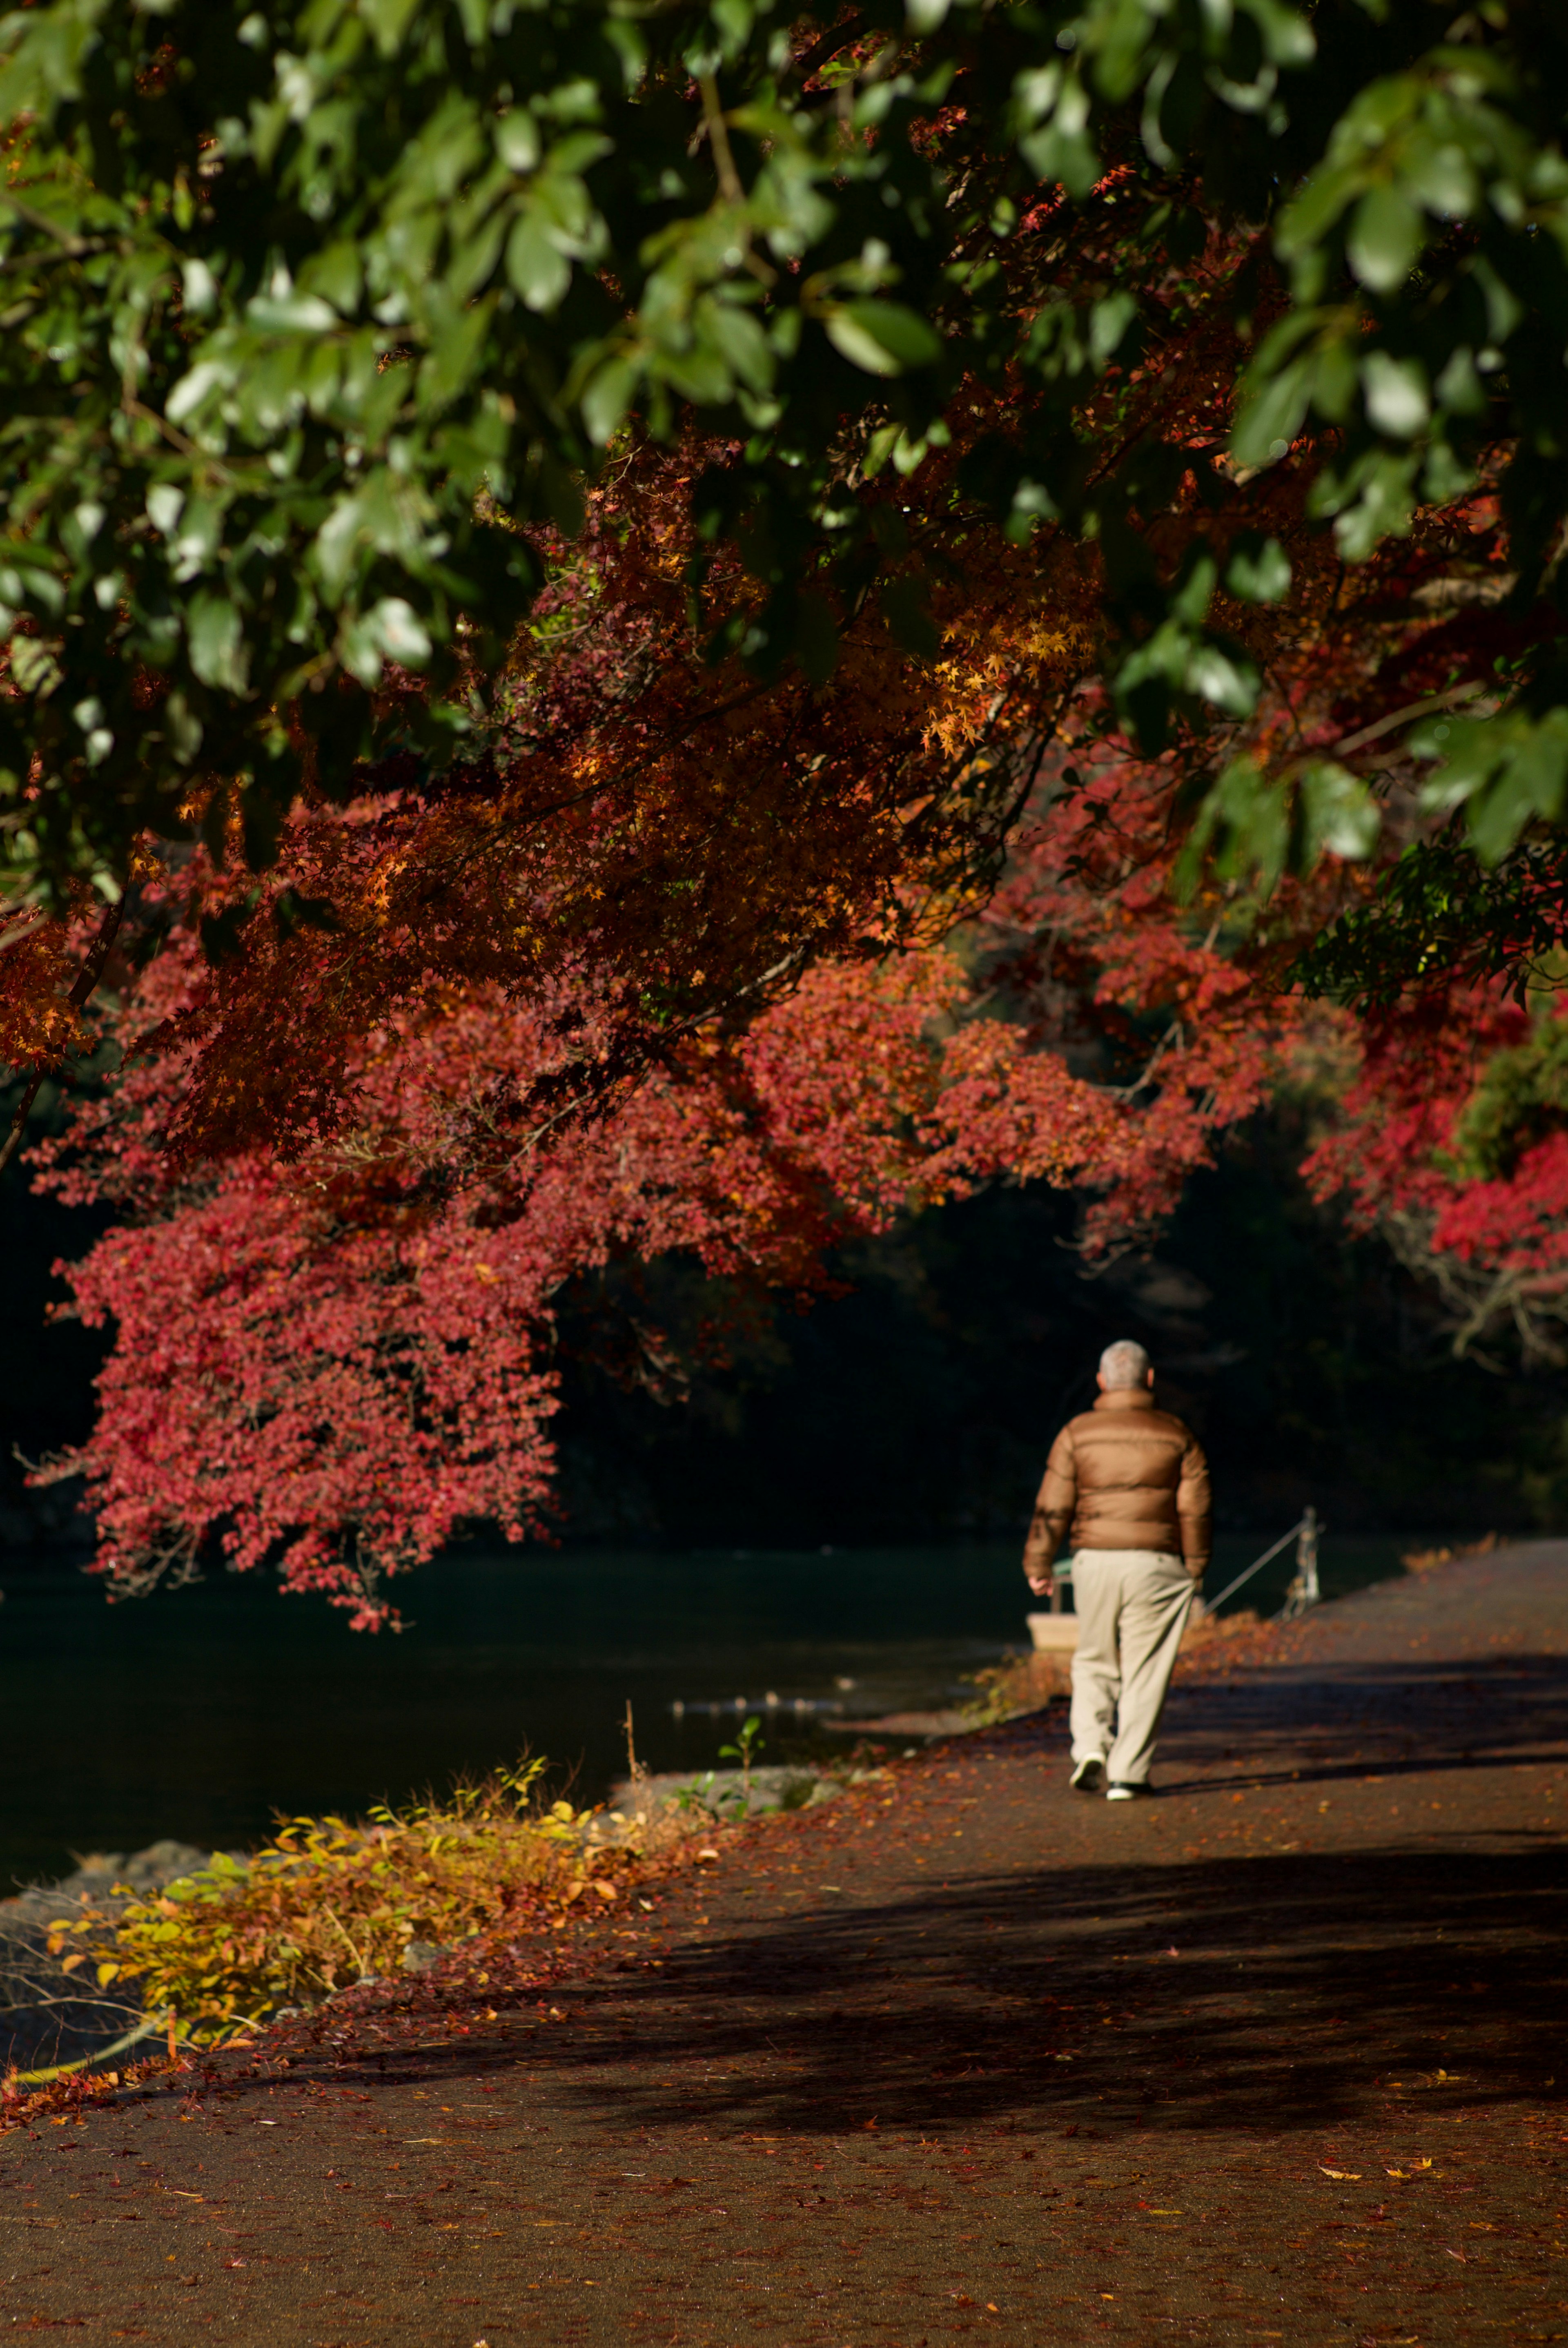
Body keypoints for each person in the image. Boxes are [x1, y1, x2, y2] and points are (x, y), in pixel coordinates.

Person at [1022, 1338, 1211, 1800]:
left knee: (1093, 1657)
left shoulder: (1076, 1432)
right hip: (1157, 1562)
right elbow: (1196, 1508)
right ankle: (1128, 1774)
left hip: (1094, 1562)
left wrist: (1039, 1561)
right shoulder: (1177, 1433)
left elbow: (1053, 1503)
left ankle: (1090, 1744)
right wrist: (1196, 1566)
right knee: (1146, 1669)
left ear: (1103, 1381)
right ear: (1149, 1380)